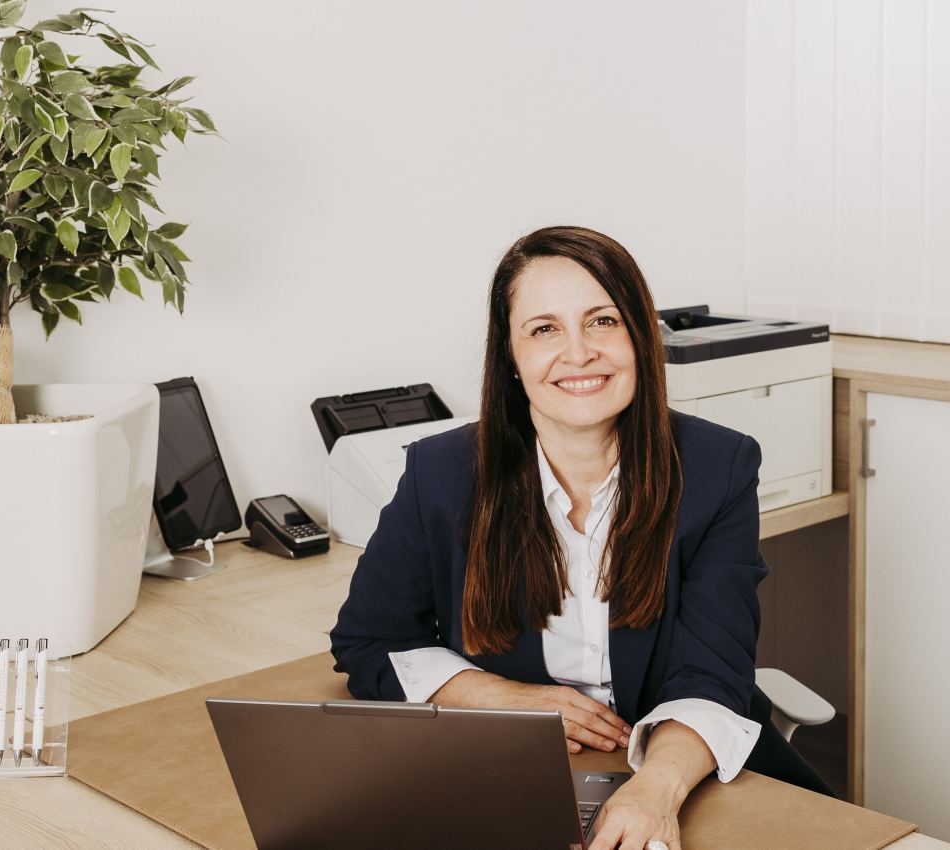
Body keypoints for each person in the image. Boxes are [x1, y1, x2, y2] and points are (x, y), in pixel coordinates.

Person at [331, 225, 832, 850]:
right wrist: (506, 699)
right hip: (517, 771)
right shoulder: (441, 474)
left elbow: (713, 672)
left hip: (684, 767)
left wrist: (655, 789)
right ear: (511, 357)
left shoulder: (717, 468)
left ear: (639, 338)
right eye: (544, 329)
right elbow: (370, 641)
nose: (578, 353)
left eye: (602, 321)